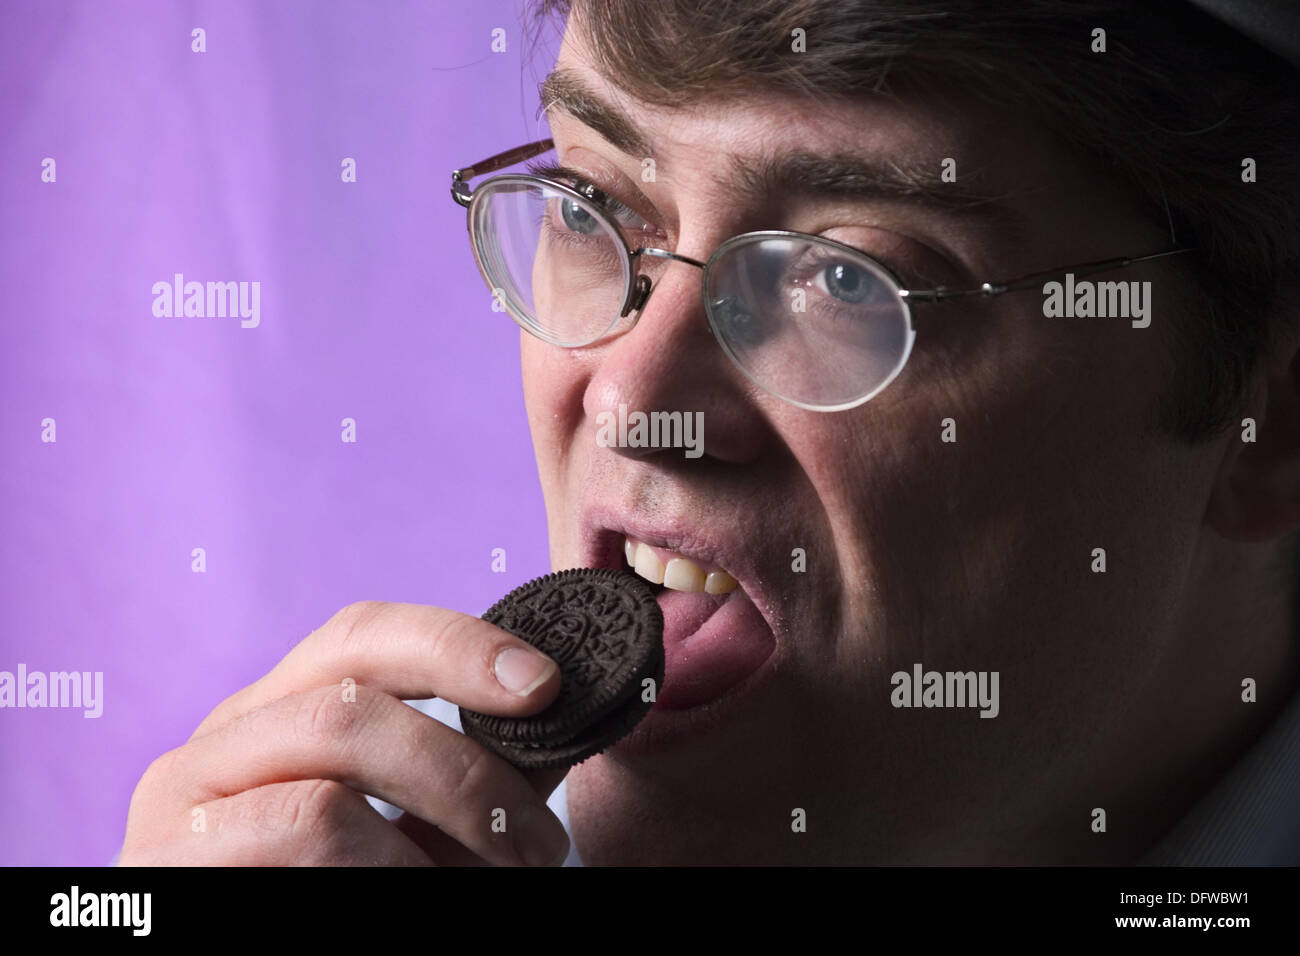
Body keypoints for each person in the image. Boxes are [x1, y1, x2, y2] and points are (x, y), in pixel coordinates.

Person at [119, 0, 1300, 866]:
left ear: (1272, 416)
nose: (632, 402)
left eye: (848, 278)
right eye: (594, 209)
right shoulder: (368, 834)